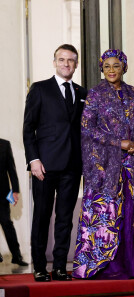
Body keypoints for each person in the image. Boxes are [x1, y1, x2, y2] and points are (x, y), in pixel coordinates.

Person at [72, 49, 134, 279]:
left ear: (124, 67)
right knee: (106, 212)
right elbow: (87, 129)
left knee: (129, 211)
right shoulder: (95, 95)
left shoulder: (133, 93)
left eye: (116, 65)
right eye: (106, 66)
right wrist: (119, 143)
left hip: (131, 166)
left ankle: (131, 265)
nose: (111, 70)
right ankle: (104, 266)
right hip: (105, 167)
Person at [23, 44, 87, 282]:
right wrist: (34, 160)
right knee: (41, 217)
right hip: (44, 167)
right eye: (62, 60)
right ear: (55, 62)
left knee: (64, 219)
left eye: (70, 60)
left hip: (72, 166)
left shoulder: (83, 92)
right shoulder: (40, 89)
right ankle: (39, 267)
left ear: (76, 64)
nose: (66, 64)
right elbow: (29, 127)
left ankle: (60, 267)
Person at [0, 138, 28, 266]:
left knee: (6, 222)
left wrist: (15, 191)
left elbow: (11, 169)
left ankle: (16, 256)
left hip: (2, 193)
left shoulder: (4, 145)